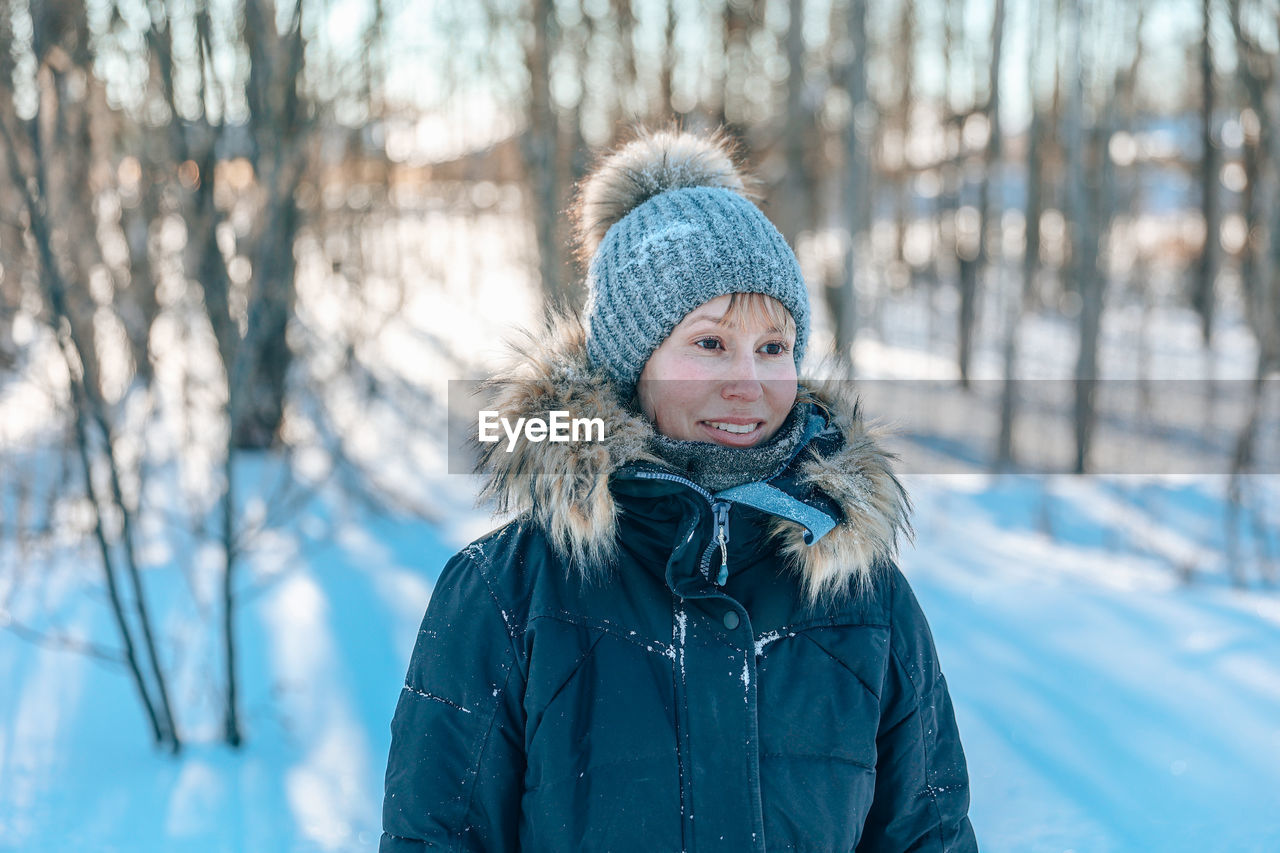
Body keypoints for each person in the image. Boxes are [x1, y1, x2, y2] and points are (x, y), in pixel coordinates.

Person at [381, 127, 978, 852]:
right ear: (634, 363)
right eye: (709, 343)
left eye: (772, 347)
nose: (748, 382)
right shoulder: (507, 594)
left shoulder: (866, 598)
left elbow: (930, 837)